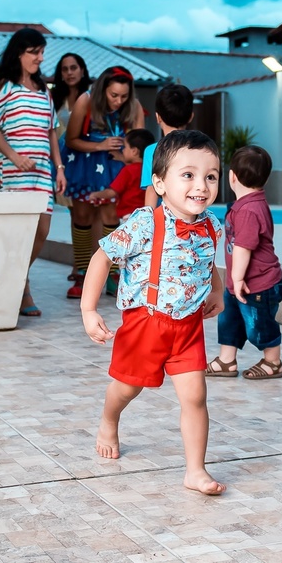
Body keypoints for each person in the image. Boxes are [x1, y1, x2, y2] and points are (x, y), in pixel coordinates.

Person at [80, 130, 226, 495]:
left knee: (195, 396)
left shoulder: (212, 225)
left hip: (189, 327)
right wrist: (88, 309)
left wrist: (218, 291)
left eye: (210, 176)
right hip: (147, 323)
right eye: (188, 175)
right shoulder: (145, 223)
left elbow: (206, 263)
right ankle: (108, 420)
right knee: (128, 387)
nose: (201, 186)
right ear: (159, 183)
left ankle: (195, 470)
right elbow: (102, 256)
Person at [0, 27, 66, 317]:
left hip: (43, 171)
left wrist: (59, 168)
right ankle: (22, 287)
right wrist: (13, 155)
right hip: (13, 170)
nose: (40, 58)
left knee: (41, 229)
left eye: (42, 52)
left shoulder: (44, 90)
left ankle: (16, 278)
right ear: (19, 53)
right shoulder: (3, 86)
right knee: (16, 233)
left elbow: (51, 132)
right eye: (35, 52)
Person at [205, 145, 282, 380]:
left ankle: (273, 362)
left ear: (232, 176)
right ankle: (226, 360)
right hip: (238, 283)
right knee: (229, 321)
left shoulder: (250, 210)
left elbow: (243, 247)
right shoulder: (246, 205)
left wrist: (238, 278)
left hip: (257, 285)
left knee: (259, 326)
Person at [63, 66, 144, 298]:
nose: (119, 101)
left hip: (115, 165)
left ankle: (112, 274)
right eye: (114, 95)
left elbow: (139, 142)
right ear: (102, 90)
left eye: (124, 96)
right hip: (85, 163)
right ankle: (81, 272)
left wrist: (122, 156)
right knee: (82, 217)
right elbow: (71, 140)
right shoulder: (85, 101)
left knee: (111, 217)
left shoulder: (134, 106)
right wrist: (100, 145)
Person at [51, 52, 94, 280]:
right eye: (65, 69)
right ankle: (80, 265)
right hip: (62, 163)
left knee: (84, 214)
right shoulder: (53, 99)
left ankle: (85, 268)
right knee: (72, 213)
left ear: (82, 70)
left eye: (73, 67)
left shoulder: (91, 98)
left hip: (86, 162)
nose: (69, 72)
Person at [142, 84, 195, 208]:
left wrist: (146, 223)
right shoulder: (200, 149)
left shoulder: (152, 151)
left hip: (164, 220)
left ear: (158, 117)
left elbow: (152, 190)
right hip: (193, 215)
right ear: (191, 116)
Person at [86, 128, 155, 221]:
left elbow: (112, 192)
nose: (123, 151)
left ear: (134, 151)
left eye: (125, 147)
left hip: (129, 215)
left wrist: (96, 194)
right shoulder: (151, 169)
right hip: (147, 213)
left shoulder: (128, 170)